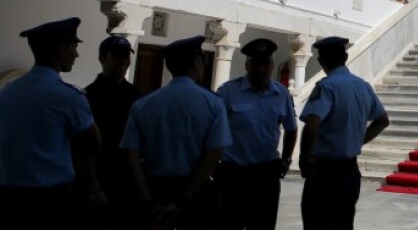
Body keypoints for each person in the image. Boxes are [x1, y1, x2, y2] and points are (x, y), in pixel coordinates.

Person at [0, 18, 102, 228]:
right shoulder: (68, 97)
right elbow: (92, 145)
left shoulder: (8, 91)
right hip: (49, 199)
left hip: (8, 196)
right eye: (73, 47)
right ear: (60, 50)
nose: (76, 54)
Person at [121, 36, 231, 229]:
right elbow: (214, 154)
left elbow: (131, 154)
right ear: (195, 63)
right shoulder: (213, 103)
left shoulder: (144, 104)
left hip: (154, 188)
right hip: (195, 193)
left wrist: (147, 199)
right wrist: (182, 200)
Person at [299, 36, 390, 230]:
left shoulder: (327, 87)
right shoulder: (363, 86)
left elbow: (312, 125)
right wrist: (357, 140)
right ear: (346, 57)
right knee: (344, 223)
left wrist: (304, 159)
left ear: (321, 61)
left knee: (317, 223)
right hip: (349, 171)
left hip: (324, 172)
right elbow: (382, 120)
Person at [216, 39, 298, 230]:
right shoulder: (228, 92)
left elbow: (291, 129)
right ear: (247, 65)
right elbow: (213, 129)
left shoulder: (281, 94)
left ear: (271, 65)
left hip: (266, 176)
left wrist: (286, 159)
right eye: (256, 63)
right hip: (234, 174)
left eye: (265, 63)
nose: (261, 69)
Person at [85, 35, 140, 229]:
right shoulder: (88, 95)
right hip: (97, 177)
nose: (123, 61)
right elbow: (83, 145)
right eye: (116, 56)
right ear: (102, 59)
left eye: (126, 56)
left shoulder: (136, 95)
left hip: (128, 179)